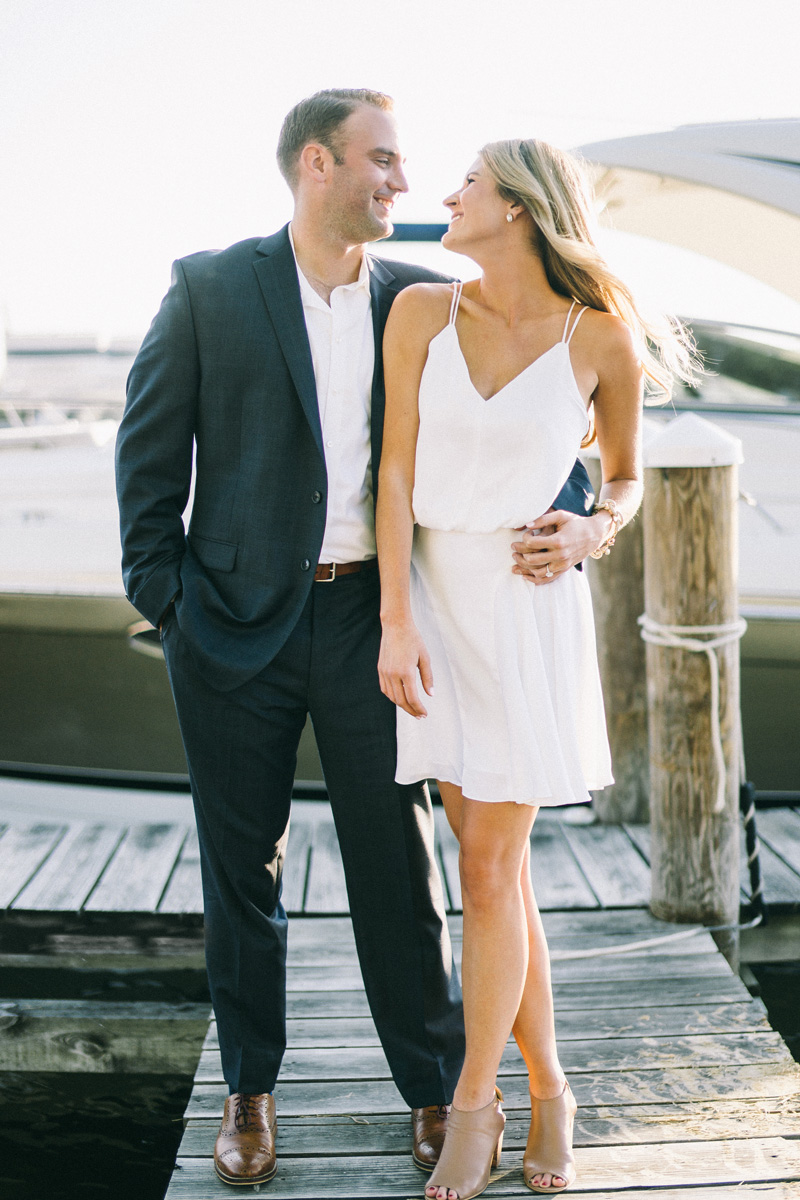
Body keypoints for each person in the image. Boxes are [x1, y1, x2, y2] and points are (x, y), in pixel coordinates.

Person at [115, 91, 600, 1188]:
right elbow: (146, 467)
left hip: (372, 621)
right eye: (382, 161)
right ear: (316, 164)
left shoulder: (422, 300)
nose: (401, 182)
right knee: (241, 868)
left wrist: (581, 516)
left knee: (398, 865)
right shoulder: (207, 288)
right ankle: (249, 1089)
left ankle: (434, 1091)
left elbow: (519, 422)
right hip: (228, 627)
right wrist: (175, 607)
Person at [376, 138, 695, 1199]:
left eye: (464, 183)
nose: (444, 194)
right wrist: (392, 620)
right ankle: (551, 1085)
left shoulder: (597, 336)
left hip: (525, 608)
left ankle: (478, 1100)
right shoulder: (421, 311)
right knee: (494, 871)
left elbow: (624, 480)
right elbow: (391, 471)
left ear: (517, 207)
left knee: (483, 871)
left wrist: (590, 531)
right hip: (433, 602)